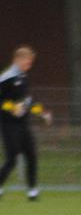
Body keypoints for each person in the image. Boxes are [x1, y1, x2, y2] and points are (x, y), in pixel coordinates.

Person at [0, 46, 51, 202]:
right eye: (27, 62)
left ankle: (32, 192)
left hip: (23, 124)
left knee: (32, 155)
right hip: (9, 124)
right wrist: (12, 108)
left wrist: (42, 113)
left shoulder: (23, 77)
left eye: (30, 63)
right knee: (12, 159)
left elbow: (28, 101)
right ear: (18, 59)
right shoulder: (6, 77)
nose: (29, 65)